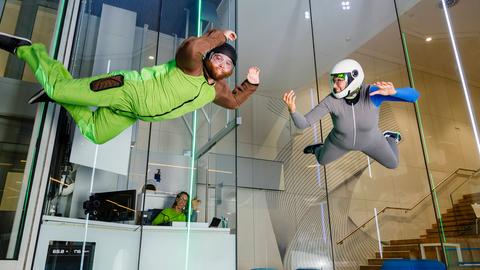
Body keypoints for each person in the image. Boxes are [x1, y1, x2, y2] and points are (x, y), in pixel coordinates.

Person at [0, 29, 260, 144]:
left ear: (230, 72)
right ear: (209, 56)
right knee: (58, 88)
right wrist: (218, 37)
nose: (222, 63)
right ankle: (26, 49)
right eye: (218, 56)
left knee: (95, 134)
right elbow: (194, 46)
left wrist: (250, 84)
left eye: (227, 63)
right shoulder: (191, 63)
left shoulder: (215, 91)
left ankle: (57, 94)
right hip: (125, 89)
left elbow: (235, 101)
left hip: (132, 112)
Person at [283, 59, 419, 169]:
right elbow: (303, 123)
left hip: (371, 142)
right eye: (333, 80)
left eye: (339, 80)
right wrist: (292, 110)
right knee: (322, 160)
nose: (335, 86)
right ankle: (318, 148)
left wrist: (394, 93)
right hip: (339, 144)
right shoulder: (331, 101)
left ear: (354, 77)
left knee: (393, 164)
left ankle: (389, 137)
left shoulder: (372, 93)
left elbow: (414, 96)